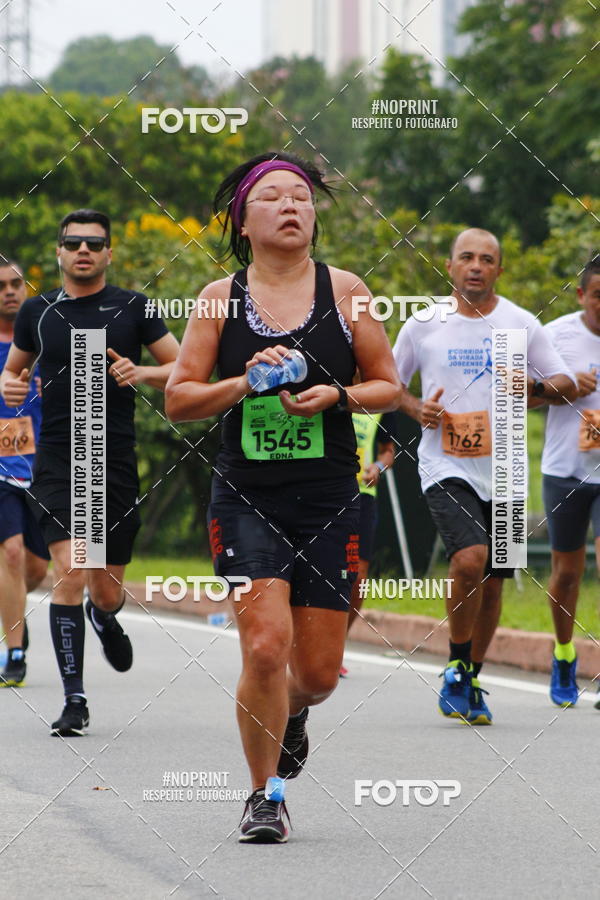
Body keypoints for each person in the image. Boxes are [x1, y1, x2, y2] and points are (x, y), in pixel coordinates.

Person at [165, 152, 400, 843]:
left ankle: (293, 713)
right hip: (245, 499)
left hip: (331, 497)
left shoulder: (347, 290)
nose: (291, 205)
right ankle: (264, 796)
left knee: (318, 675)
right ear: (244, 218)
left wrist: (341, 395)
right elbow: (179, 399)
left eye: (301, 196)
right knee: (265, 646)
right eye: (272, 196)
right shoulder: (217, 298)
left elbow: (388, 384)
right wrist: (242, 382)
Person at [0, 209, 179, 736]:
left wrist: (144, 371)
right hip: (56, 460)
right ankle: (74, 699)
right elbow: (14, 371)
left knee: (103, 588)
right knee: (72, 574)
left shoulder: (133, 308)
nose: (83, 250)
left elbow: (184, 366)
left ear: (107, 254)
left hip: (114, 459)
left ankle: (105, 616)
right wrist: (11, 386)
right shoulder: (38, 310)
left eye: (93, 244)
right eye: (73, 242)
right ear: (59, 252)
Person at [393, 228, 576, 725]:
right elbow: (386, 384)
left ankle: (470, 675)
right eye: (466, 257)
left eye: (487, 259)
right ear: (449, 266)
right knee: (470, 560)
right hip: (444, 463)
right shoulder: (423, 324)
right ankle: (455, 665)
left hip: (508, 469)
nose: (475, 266)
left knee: (495, 582)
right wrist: (414, 407)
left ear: (499, 270)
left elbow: (565, 382)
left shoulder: (521, 324)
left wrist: (536, 383)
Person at [532, 255, 600, 707]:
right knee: (568, 573)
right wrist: (564, 388)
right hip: (565, 470)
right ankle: (563, 655)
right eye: (599, 297)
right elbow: (524, 396)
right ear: (581, 296)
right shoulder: (556, 335)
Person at [0, 257, 49, 687]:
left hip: (43, 468)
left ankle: (10, 612)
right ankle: (14, 652)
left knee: (34, 570)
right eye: (1, 286)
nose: (10, 291)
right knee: (11, 552)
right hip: (0, 469)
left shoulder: (47, 338)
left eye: (16, 283)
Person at [341, 409, 398, 676]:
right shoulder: (329, 388)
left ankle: (335, 644)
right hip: (327, 492)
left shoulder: (379, 404)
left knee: (357, 576)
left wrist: (378, 467)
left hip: (363, 496)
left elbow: (389, 451)